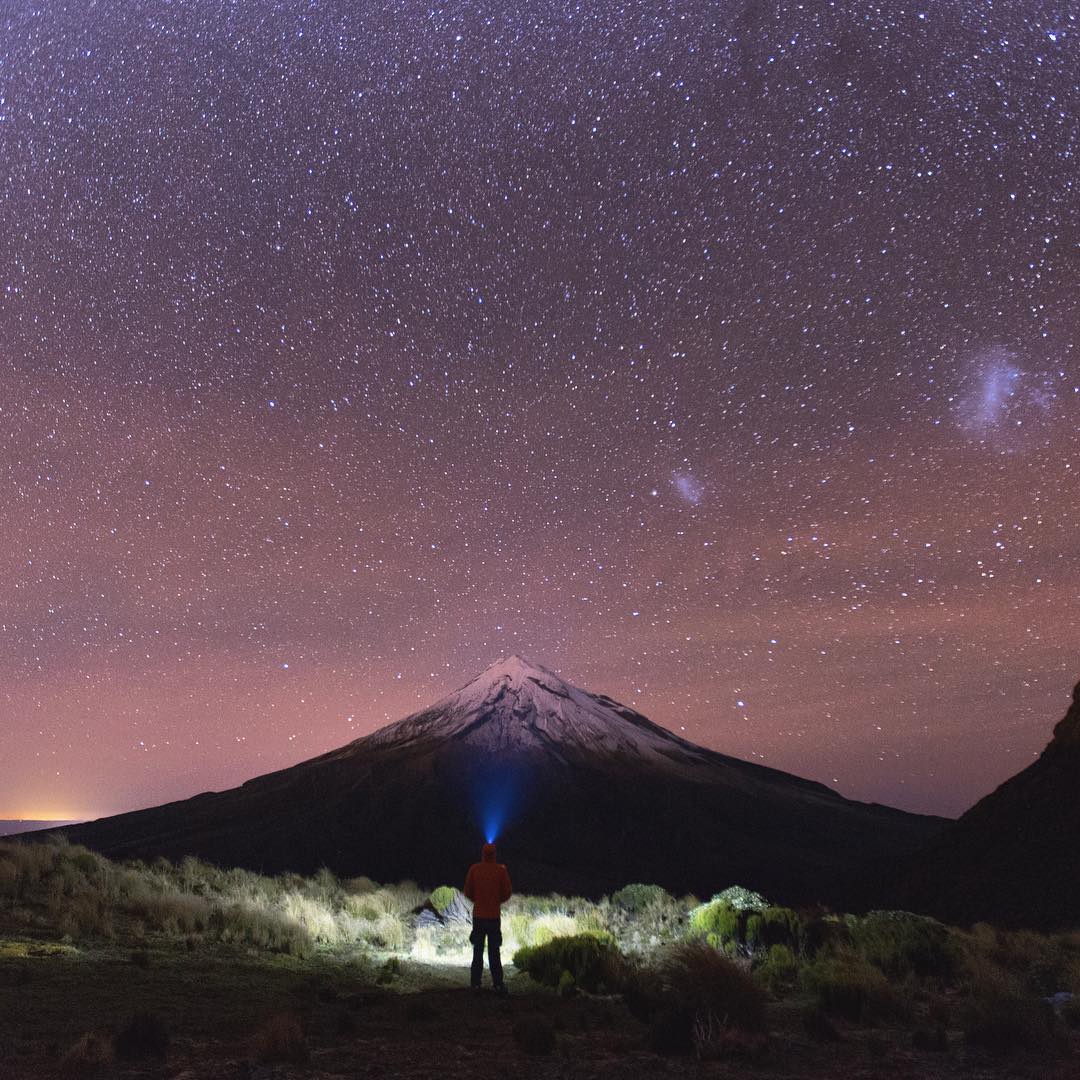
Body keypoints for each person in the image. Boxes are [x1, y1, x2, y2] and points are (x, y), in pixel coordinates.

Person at [464, 841, 512, 992]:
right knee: (494, 951)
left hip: (478, 916)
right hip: (493, 917)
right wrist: (496, 901)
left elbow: (467, 891)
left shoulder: (475, 869)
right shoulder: (501, 870)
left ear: (482, 853)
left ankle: (475, 983)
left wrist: (478, 900)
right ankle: (498, 983)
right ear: (495, 854)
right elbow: (507, 893)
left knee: (477, 950)